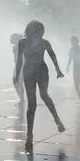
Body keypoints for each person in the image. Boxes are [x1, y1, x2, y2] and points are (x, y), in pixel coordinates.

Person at [15, 20, 66, 152]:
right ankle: (29, 135)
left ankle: (57, 119)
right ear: (29, 30)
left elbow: (52, 55)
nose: (36, 33)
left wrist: (58, 70)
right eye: (34, 30)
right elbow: (19, 59)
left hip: (42, 71)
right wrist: (17, 74)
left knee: (44, 95)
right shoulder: (22, 42)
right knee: (32, 103)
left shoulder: (44, 43)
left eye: (38, 30)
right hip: (28, 72)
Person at [67, 35, 80, 104]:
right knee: (76, 85)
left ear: (77, 41)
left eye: (73, 41)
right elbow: (70, 58)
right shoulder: (71, 49)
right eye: (71, 41)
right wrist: (68, 66)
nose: (72, 43)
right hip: (75, 68)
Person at [10, 32, 26, 104]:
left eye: (12, 38)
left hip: (21, 66)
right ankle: (21, 98)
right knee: (17, 82)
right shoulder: (16, 46)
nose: (10, 40)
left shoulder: (21, 46)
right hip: (18, 66)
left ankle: (22, 99)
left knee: (18, 82)